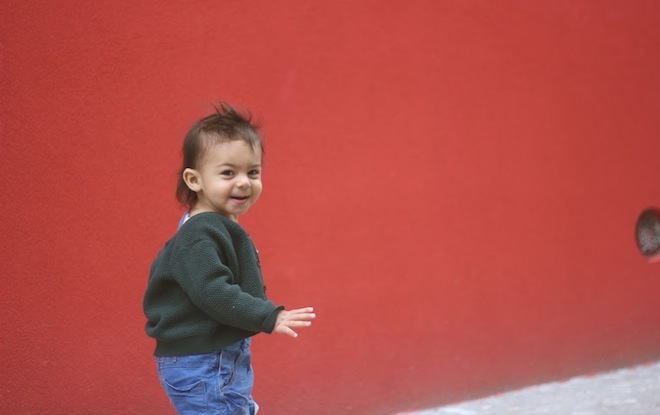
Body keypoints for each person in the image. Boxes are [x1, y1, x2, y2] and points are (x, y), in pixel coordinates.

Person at [143, 102, 315, 414]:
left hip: (212, 356)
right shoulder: (199, 234)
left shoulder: (211, 225)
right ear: (194, 180)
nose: (244, 182)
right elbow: (213, 291)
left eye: (253, 172)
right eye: (228, 173)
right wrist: (268, 315)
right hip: (203, 362)